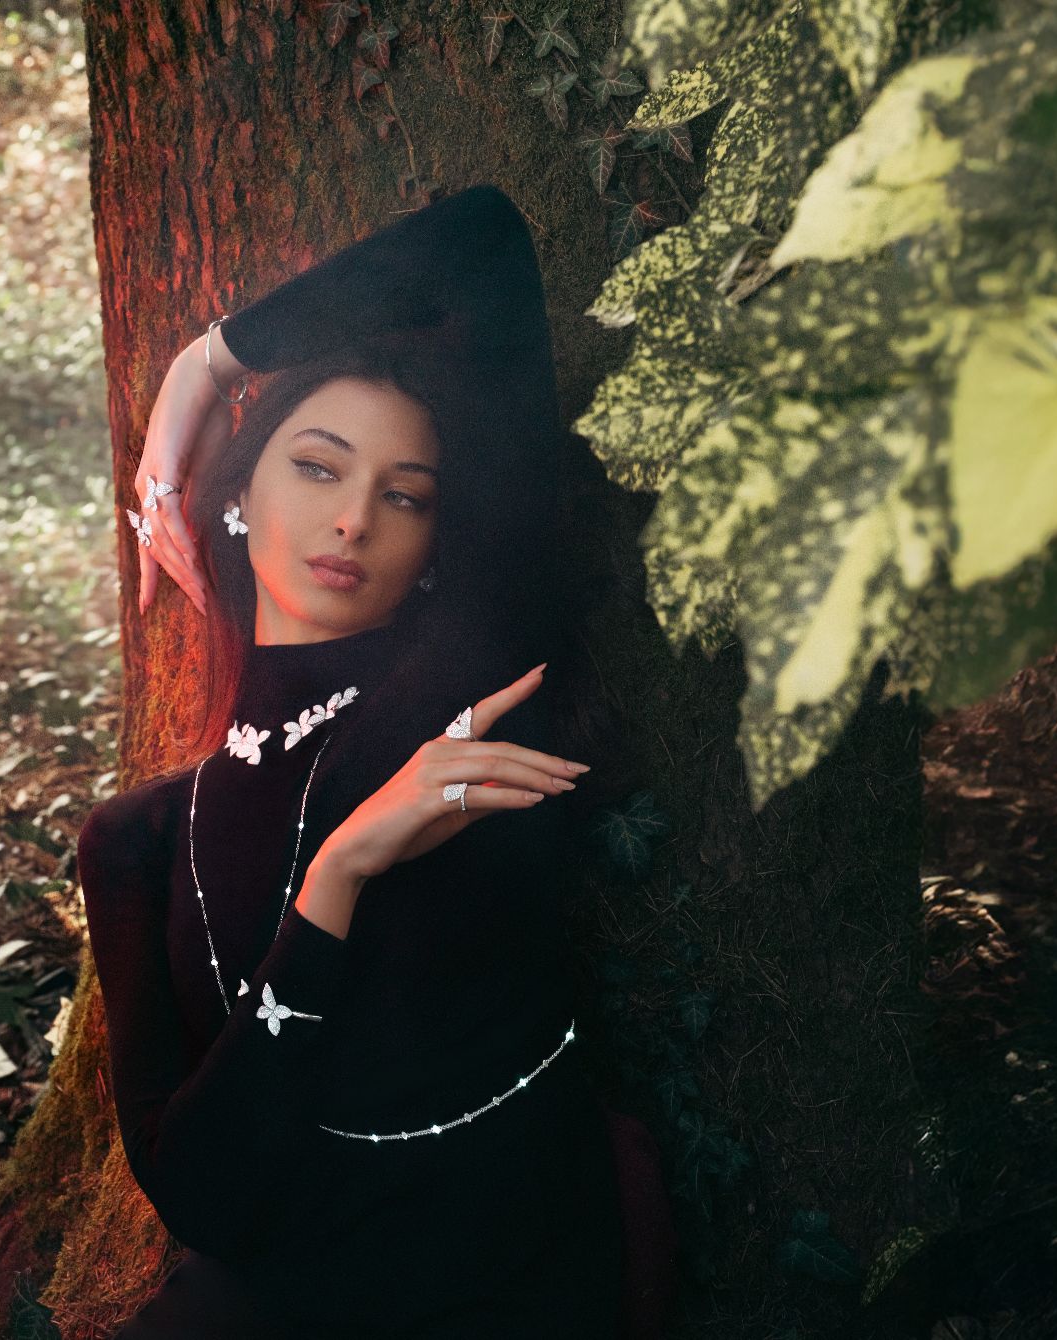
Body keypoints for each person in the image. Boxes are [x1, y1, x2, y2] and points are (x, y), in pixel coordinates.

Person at [76, 184, 677, 1338]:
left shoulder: (462, 688)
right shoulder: (142, 838)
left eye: (404, 497)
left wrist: (203, 365)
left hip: (499, 1274)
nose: (355, 517)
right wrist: (337, 876)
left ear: (436, 544)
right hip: (274, 1285)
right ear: (236, 495)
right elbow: (198, 1187)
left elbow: (484, 243)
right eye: (316, 466)